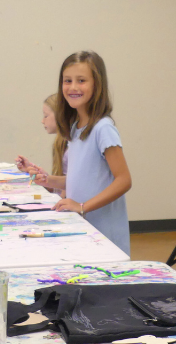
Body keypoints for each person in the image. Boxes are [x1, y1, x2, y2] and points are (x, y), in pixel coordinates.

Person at [29, 51, 131, 255]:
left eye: (81, 80)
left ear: (97, 85)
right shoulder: (76, 128)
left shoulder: (103, 128)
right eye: (68, 81)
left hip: (104, 235)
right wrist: (48, 180)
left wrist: (83, 206)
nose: (73, 87)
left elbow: (124, 180)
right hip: (83, 228)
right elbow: (80, 179)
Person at [15, 93, 69, 197]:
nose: (42, 121)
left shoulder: (72, 147)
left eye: (46, 116)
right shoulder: (59, 143)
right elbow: (58, 191)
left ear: (60, 115)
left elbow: (66, 193)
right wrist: (43, 178)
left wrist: (47, 180)